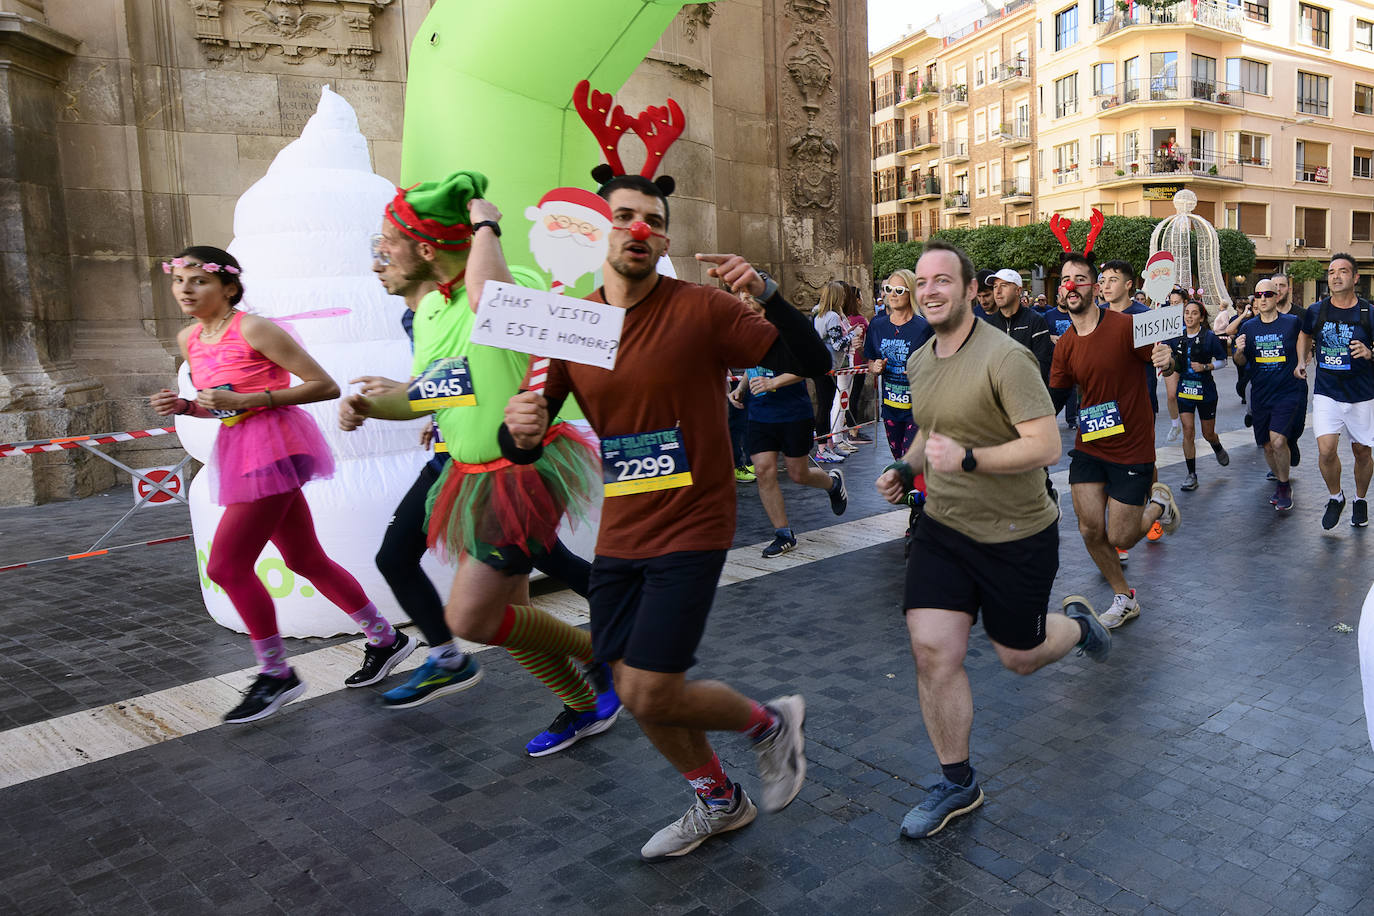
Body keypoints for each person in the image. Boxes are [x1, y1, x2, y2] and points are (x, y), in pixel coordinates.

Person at [501, 168, 826, 859]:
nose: (637, 228)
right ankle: (720, 800)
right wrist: (517, 431)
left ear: (664, 237)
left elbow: (814, 358)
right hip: (623, 530)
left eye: (650, 219)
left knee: (649, 688)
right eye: (623, 215)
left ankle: (771, 724)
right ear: (604, 228)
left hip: (695, 522)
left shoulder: (702, 311)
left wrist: (766, 292)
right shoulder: (577, 324)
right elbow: (523, 447)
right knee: (628, 682)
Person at [338, 172, 621, 756]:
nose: (375, 261)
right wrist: (370, 404)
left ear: (423, 247)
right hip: (467, 480)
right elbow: (435, 394)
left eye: (384, 245)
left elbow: (494, 301)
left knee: (471, 618)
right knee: (508, 617)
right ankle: (583, 705)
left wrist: (486, 223)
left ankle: (609, 656)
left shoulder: (511, 280)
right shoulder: (433, 313)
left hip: (520, 474)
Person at [873, 240, 1110, 839]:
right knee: (932, 651)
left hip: (1017, 534)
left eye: (942, 281)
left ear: (971, 290)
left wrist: (971, 459)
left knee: (1019, 657)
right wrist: (906, 470)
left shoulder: (1006, 359)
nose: (929, 291)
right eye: (921, 281)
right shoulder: (922, 359)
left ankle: (1080, 627)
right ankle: (957, 783)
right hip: (945, 528)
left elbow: (1046, 445)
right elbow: (931, 430)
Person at [151, 247, 414, 723]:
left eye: (199, 281)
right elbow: (222, 406)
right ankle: (386, 638)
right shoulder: (190, 337)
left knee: (228, 567)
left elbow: (324, 385)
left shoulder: (253, 327)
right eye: (180, 281)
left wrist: (249, 398)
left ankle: (276, 674)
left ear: (229, 287)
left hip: (275, 448)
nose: (186, 290)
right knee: (303, 558)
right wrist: (188, 407)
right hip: (240, 451)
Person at [1049, 252, 1180, 629]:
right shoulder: (1066, 345)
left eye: (1080, 278)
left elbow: (1168, 361)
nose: (1071, 284)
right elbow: (1055, 398)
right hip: (1091, 443)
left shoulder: (1127, 326)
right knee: (1090, 529)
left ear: (1094, 287)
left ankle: (1158, 505)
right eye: (1065, 279)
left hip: (1132, 446)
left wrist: (1167, 360)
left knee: (1121, 535)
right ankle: (1123, 596)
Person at [731, 289, 848, 558]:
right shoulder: (744, 330)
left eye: (748, 292)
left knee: (798, 474)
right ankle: (783, 534)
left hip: (793, 412)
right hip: (759, 413)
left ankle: (832, 484)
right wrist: (742, 389)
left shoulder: (786, 327)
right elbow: (754, 366)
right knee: (763, 470)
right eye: (738, 294)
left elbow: (808, 366)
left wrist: (773, 382)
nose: (743, 298)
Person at [1298, 253, 1374, 529]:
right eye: (1331, 272)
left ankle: (1360, 499)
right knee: (1326, 449)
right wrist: (1301, 359)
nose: (1336, 276)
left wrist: (1370, 351)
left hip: (1362, 395)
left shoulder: (1368, 312)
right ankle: (1336, 496)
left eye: (1343, 271)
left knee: (1362, 452)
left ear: (1355, 278)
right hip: (1327, 392)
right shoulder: (1317, 311)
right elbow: (1305, 334)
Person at [864, 268, 935, 548]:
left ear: (910, 294)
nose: (892, 295)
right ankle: (922, 509)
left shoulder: (922, 327)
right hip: (891, 404)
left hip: (918, 407)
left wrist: (918, 372)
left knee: (909, 460)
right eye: (888, 289)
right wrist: (875, 367)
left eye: (899, 290)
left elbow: (936, 363)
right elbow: (871, 360)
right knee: (899, 460)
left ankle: (918, 519)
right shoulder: (877, 325)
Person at [1234, 278, 1306, 510]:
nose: (1262, 298)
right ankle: (1280, 479)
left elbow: (1306, 342)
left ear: (1276, 297)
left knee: (1277, 440)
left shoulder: (1292, 323)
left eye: (1267, 294)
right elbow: (1240, 361)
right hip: (1261, 394)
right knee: (1266, 445)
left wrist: (1302, 362)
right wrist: (1239, 351)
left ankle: (1284, 486)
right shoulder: (1248, 327)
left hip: (1287, 391)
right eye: (1258, 295)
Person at [1162, 299, 1230, 492]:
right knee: (1188, 431)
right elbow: (1165, 353)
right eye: (1187, 313)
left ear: (1201, 317)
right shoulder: (1176, 336)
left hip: (1206, 391)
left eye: (1194, 313)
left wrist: (1206, 366)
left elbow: (1223, 361)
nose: (1189, 316)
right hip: (1185, 390)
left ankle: (1216, 445)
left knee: (1207, 433)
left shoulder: (1209, 337)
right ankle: (1191, 474)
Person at [813, 280, 861, 460]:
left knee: (825, 407)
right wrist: (852, 335)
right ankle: (823, 449)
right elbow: (837, 343)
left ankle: (829, 446)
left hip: (821, 365)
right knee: (825, 407)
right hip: (829, 366)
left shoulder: (818, 314)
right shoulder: (832, 316)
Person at [981, 268, 1052, 385]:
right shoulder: (989, 325)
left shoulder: (1035, 321)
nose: (997, 291)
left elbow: (1042, 365)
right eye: (994, 286)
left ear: (1018, 291)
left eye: (1003, 285)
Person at [842, 284, 873, 442]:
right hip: (858, 361)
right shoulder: (859, 319)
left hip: (846, 363)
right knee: (853, 396)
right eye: (860, 296)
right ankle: (853, 431)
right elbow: (870, 337)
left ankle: (848, 427)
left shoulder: (844, 319)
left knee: (845, 397)